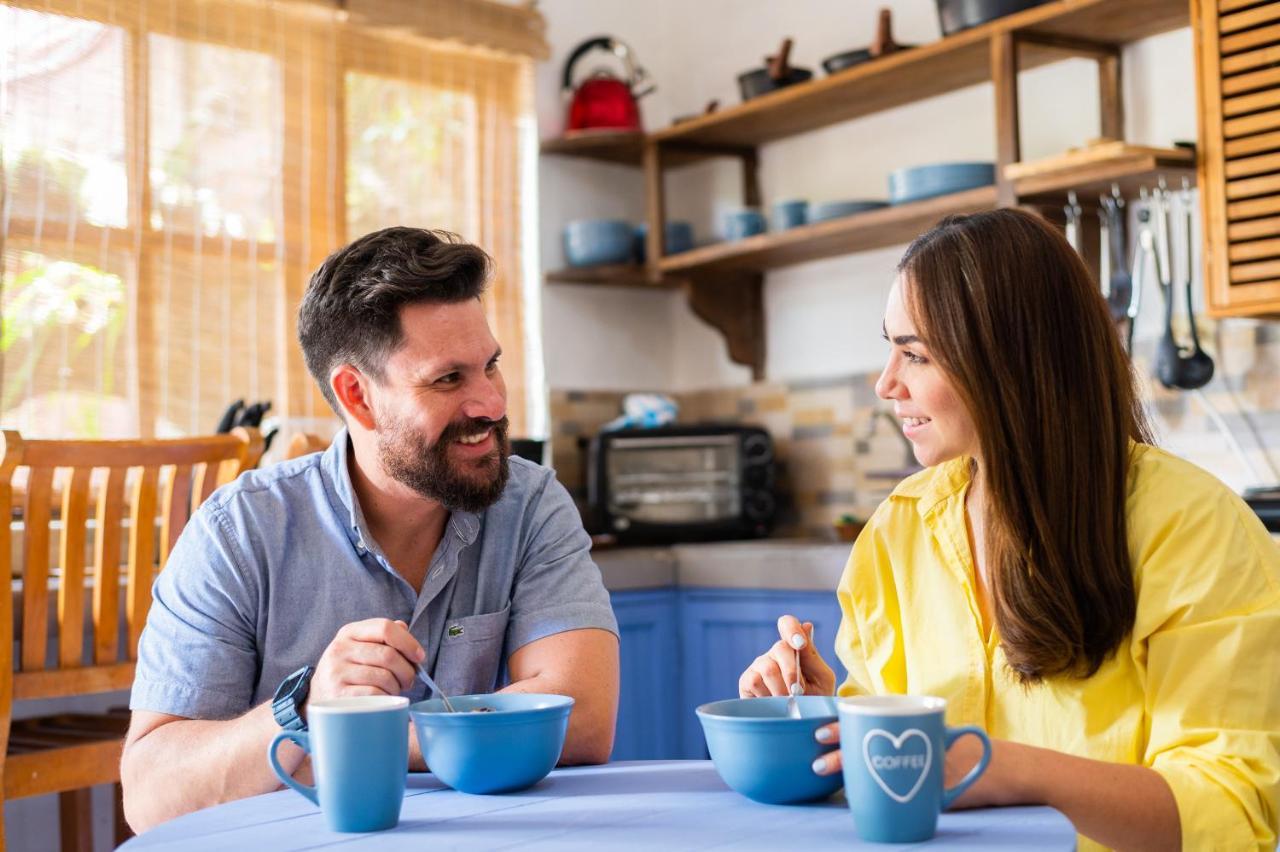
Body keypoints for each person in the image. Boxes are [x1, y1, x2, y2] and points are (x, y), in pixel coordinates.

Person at [740, 209, 1280, 851]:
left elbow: (1230, 811)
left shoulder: (1191, 528)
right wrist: (826, 714)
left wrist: (1012, 770)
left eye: (914, 354)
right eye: (892, 348)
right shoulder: (897, 532)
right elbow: (901, 781)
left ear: (1007, 360)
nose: (886, 384)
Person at [121, 227, 620, 831]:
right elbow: (150, 796)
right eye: (447, 379)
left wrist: (355, 734)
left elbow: (584, 717)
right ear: (357, 397)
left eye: (490, 366)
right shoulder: (239, 531)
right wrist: (305, 711)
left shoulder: (530, 504)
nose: (490, 403)